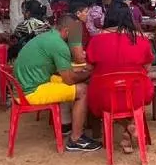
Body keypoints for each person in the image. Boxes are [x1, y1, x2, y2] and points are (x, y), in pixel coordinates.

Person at [13, 16, 100, 151]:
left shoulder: (49, 37)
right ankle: (76, 139)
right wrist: (89, 73)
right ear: (67, 31)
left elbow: (64, 70)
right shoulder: (59, 45)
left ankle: (66, 124)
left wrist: (81, 71)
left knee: (68, 82)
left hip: (24, 84)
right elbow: (69, 79)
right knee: (82, 90)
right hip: (31, 91)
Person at [85, 4, 154, 154]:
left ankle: (128, 130)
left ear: (108, 17)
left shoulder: (96, 40)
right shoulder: (140, 40)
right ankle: (129, 128)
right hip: (137, 93)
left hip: (104, 96)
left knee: (109, 102)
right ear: (129, 18)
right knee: (132, 100)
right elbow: (147, 68)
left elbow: (89, 68)